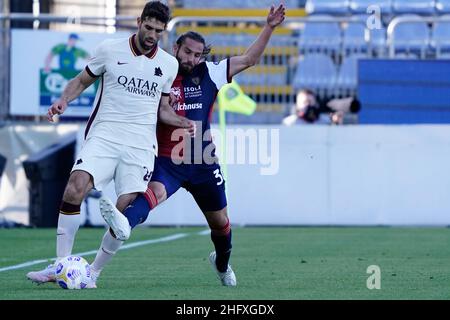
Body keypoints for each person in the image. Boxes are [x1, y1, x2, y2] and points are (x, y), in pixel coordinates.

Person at [97, 4, 286, 287]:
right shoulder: (159, 71)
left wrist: (269, 27)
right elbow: (151, 107)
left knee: (220, 223)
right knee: (151, 195)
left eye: (198, 54)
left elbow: (249, 58)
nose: (192, 59)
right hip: (167, 160)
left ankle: (222, 264)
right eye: (188, 53)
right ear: (176, 48)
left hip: (203, 161)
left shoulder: (210, 73)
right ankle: (119, 233)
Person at [26, 1, 195, 288]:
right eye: (148, 27)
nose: (152, 34)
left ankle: (93, 273)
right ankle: (61, 265)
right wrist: (63, 100)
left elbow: (163, 109)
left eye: (158, 30)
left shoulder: (168, 64)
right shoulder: (109, 49)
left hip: (140, 146)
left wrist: (180, 121)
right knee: (74, 186)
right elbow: (81, 81)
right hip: (105, 135)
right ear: (139, 21)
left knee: (123, 214)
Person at [282, 89, 361, 126]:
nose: (308, 105)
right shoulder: (289, 123)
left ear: (315, 103)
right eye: (305, 102)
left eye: (310, 101)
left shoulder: (326, 121)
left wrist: (337, 124)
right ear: (297, 105)